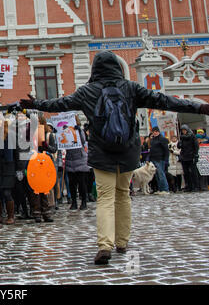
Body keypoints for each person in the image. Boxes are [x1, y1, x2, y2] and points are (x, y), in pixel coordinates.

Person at [20, 50, 209, 265]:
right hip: (128, 149)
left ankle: (104, 245)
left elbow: (60, 104)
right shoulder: (131, 88)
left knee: (106, 197)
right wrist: (199, 106)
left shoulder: (88, 91)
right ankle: (122, 241)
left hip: (101, 151)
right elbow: (163, 100)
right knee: (123, 195)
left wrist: (36, 104)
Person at [65, 115, 90, 210]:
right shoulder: (66, 130)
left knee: (82, 183)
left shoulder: (80, 131)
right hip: (70, 159)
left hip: (80, 159)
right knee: (72, 183)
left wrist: (79, 130)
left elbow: (83, 141)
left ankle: (84, 201)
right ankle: (74, 202)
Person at [178, 125, 201, 192]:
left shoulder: (192, 136)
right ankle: (189, 186)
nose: (183, 132)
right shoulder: (182, 138)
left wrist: (196, 154)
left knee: (193, 172)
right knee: (186, 173)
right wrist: (179, 144)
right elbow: (180, 147)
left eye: (184, 130)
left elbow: (196, 146)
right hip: (184, 157)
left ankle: (196, 186)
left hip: (191, 156)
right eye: (182, 130)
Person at [149, 126, 170, 195]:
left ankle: (165, 189)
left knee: (161, 174)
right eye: (153, 131)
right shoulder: (153, 140)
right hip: (153, 158)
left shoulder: (162, 139)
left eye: (155, 131)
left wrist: (166, 159)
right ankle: (160, 189)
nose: (154, 133)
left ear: (158, 132)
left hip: (160, 159)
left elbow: (166, 150)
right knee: (157, 175)